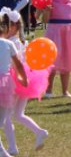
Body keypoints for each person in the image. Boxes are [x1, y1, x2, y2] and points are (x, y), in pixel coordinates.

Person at [1, 9, 48, 153]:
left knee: (7, 116)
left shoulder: (11, 42)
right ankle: (39, 132)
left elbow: (15, 64)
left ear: (13, 27)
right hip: (23, 80)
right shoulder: (19, 41)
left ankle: (12, 147)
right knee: (18, 114)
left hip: (12, 81)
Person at [0, 18, 27, 157]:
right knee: (3, 117)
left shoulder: (10, 43)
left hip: (4, 82)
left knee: (3, 119)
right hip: (4, 83)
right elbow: (18, 64)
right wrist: (23, 78)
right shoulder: (9, 43)